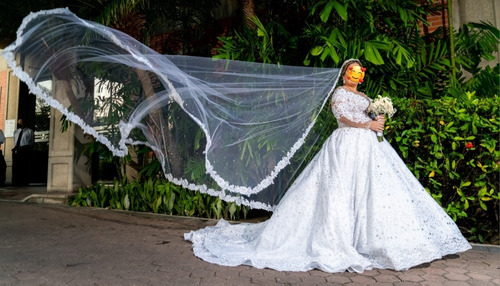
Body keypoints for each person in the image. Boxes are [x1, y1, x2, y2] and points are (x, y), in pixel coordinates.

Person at [184, 59, 471, 273]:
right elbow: (344, 117)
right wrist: (370, 123)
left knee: (374, 192)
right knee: (339, 191)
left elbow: (368, 116)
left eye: (360, 72)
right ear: (345, 73)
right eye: (352, 71)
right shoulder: (339, 94)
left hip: (370, 148)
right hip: (346, 145)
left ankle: (381, 241)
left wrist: (378, 122)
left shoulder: (366, 97)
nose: (356, 76)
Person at [12, 119, 35, 186]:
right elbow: (15, 140)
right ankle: (16, 182)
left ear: (24, 123)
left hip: (25, 149)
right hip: (17, 149)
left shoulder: (29, 131)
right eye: (18, 123)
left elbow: (32, 141)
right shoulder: (16, 132)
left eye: (20, 123)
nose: (19, 124)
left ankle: (24, 182)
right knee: (16, 166)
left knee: (24, 166)